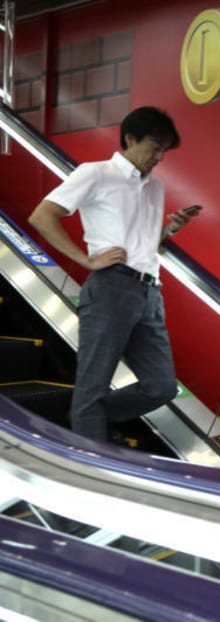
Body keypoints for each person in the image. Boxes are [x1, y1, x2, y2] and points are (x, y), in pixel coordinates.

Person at [28, 106, 201, 443]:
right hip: (110, 287)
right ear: (130, 138)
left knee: (161, 386)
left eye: (164, 149)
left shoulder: (156, 187)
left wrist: (169, 229)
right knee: (92, 384)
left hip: (150, 291)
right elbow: (42, 215)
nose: (159, 156)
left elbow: (144, 244)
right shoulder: (95, 173)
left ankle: (88, 418)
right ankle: (92, 458)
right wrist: (85, 259)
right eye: (154, 146)